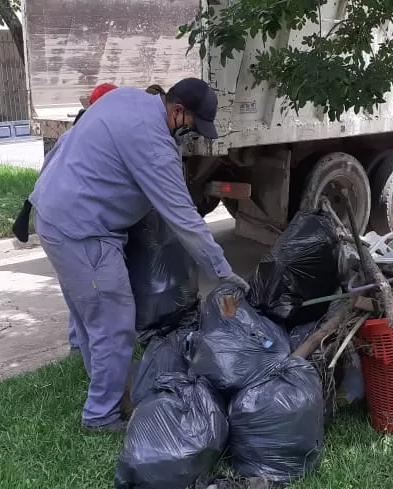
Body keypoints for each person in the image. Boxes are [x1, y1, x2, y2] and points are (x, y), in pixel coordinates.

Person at [28, 78, 249, 434]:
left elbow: (68, 142)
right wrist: (224, 272)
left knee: (91, 319)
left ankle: (106, 387)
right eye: (193, 131)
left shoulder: (128, 99)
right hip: (83, 231)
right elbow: (185, 220)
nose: (192, 140)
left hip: (54, 214)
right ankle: (100, 416)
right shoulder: (153, 143)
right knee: (114, 325)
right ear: (177, 111)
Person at [13, 82, 120, 355]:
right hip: (68, 224)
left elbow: (48, 173)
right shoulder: (95, 137)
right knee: (86, 289)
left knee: (74, 285)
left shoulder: (75, 133)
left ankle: (77, 342)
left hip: (50, 218)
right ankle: (81, 345)